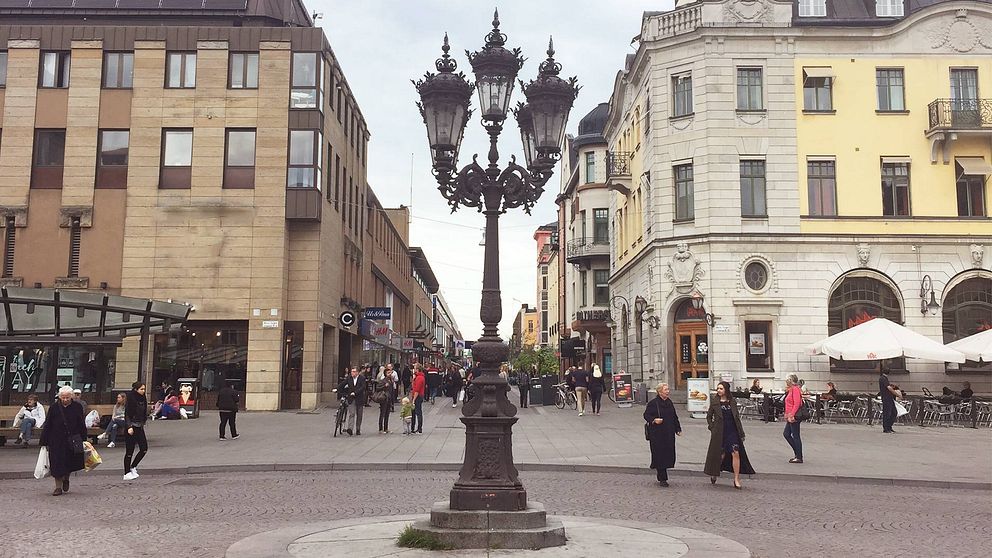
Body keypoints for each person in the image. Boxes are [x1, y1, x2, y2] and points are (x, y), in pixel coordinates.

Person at [704, 381, 755, 489]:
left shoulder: (732, 401)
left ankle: (736, 479)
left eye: (721, 388)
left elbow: (736, 418)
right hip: (720, 432)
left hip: (732, 430)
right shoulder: (715, 402)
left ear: (726, 390)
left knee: (735, 452)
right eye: (718, 388)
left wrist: (741, 432)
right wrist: (712, 427)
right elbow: (709, 417)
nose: (718, 390)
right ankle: (714, 472)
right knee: (721, 454)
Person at [39, 386, 87, 496]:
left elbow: (81, 424)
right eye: (63, 397)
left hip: (72, 439)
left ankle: (66, 478)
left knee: (69, 462)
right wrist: (44, 441)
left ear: (71, 397)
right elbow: (48, 424)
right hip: (56, 440)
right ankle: (58, 487)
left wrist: (84, 439)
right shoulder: (54, 407)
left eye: (67, 397)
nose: (65, 400)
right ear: (59, 397)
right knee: (56, 463)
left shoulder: (77, 407)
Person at [644, 383, 682, 487]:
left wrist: (678, 429)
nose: (668, 391)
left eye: (668, 389)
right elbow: (646, 415)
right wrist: (654, 420)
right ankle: (662, 478)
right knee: (659, 454)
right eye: (666, 390)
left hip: (668, 433)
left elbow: (674, 416)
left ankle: (663, 472)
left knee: (668, 453)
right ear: (660, 392)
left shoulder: (669, 402)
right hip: (657, 434)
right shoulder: (653, 403)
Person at [123, 382, 149, 481]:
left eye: (144, 389)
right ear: (136, 389)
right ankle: (126, 472)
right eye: (141, 389)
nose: (143, 391)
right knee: (130, 450)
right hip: (132, 426)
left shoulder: (143, 398)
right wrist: (129, 426)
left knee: (144, 448)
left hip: (139, 426)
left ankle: (133, 466)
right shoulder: (130, 398)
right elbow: (127, 413)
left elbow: (143, 410)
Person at [783, 374, 804, 464]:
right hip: (790, 415)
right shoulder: (791, 389)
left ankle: (799, 456)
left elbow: (797, 403)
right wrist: (786, 414)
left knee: (795, 435)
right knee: (786, 434)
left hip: (794, 416)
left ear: (791, 380)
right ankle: (797, 453)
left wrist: (791, 414)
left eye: (788, 379)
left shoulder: (795, 389)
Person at [346, 367, 366, 436]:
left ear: (357, 372)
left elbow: (363, 387)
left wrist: (355, 392)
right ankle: (350, 429)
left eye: (354, 371)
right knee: (352, 413)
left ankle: (358, 429)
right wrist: (337, 389)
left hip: (359, 399)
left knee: (359, 415)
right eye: (352, 371)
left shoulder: (362, 378)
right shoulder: (349, 378)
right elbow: (343, 383)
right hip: (351, 399)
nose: (352, 373)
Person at [879, 369, 898, 433]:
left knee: (893, 412)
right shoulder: (883, 378)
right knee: (887, 413)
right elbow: (889, 388)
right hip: (887, 398)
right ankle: (886, 428)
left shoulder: (884, 378)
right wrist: (896, 394)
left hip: (889, 398)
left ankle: (889, 426)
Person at [410, 364, 426, 434]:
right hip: (418, 395)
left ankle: (419, 428)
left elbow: (417, 390)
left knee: (417, 412)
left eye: (415, 368)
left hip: (417, 396)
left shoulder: (420, 377)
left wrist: (413, 399)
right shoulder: (418, 377)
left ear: (417, 369)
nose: (414, 370)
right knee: (415, 412)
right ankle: (413, 428)